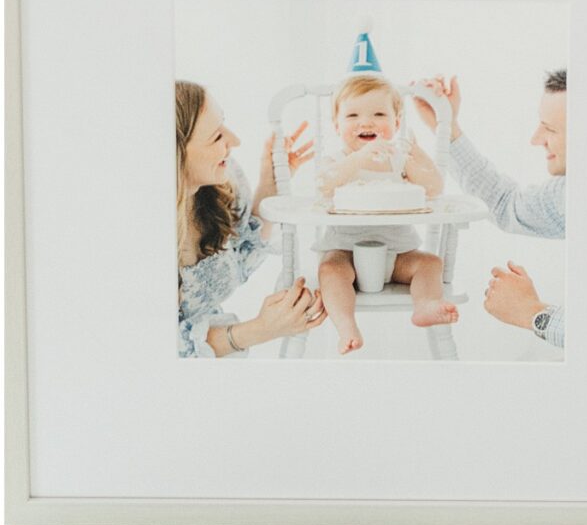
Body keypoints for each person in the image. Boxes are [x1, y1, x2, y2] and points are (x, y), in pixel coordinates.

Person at [417, 67, 566, 349]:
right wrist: (446, 127)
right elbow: (505, 203)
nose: (535, 139)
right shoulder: (566, 194)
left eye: (550, 128)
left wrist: (532, 313)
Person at [175, 82, 324, 358]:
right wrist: (262, 328)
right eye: (216, 137)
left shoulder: (220, 182)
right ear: (177, 156)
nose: (235, 141)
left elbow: (239, 256)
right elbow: (166, 348)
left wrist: (270, 182)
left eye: (224, 124)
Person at [310, 73, 456, 353]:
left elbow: (434, 188)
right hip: (346, 253)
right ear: (336, 126)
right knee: (329, 271)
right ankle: (346, 326)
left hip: (398, 254)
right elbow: (322, 185)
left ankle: (425, 305)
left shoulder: (399, 161)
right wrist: (358, 160)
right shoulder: (338, 161)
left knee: (430, 264)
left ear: (396, 123)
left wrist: (418, 157)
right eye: (352, 115)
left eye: (379, 113)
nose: (366, 122)